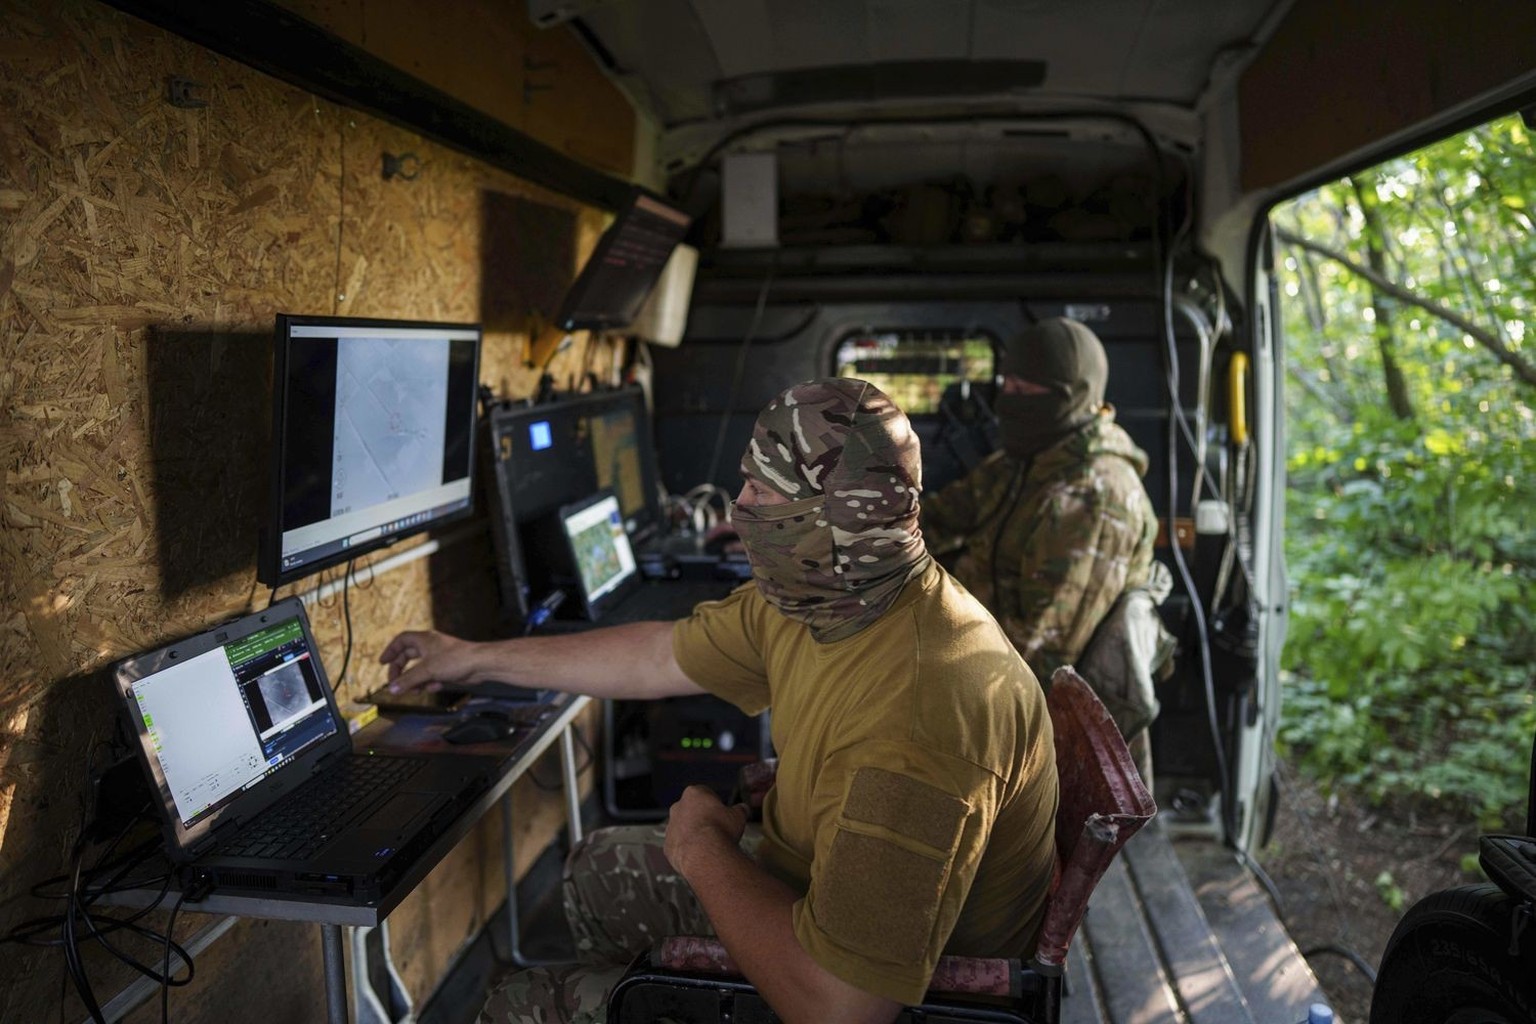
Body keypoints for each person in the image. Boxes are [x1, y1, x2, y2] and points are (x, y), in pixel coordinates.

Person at [380, 378, 1058, 1024]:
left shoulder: (921, 718)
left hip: (910, 1000)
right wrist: (472, 656)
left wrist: (703, 849)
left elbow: (841, 1009)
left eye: (761, 488)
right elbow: (658, 654)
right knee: (595, 868)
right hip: (813, 886)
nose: (739, 506)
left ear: (823, 523)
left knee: (520, 1002)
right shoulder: (827, 597)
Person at [921, 316, 1161, 684]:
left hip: (1033, 713)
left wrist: (925, 651)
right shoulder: (1020, 463)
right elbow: (936, 521)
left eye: (1026, 390)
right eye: (1008, 385)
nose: (1010, 401)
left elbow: (1041, 654)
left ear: (1072, 398)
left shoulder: (1096, 496)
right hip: (970, 663)